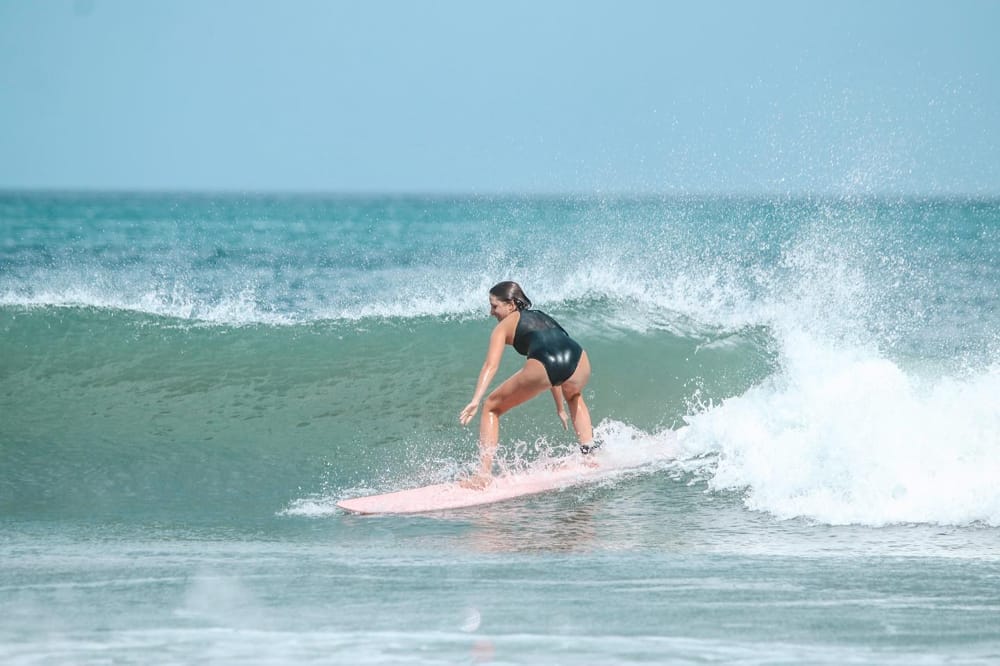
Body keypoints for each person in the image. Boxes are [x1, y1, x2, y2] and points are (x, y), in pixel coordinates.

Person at [458, 281, 595, 489]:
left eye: (495, 306)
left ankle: (483, 476)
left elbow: (490, 365)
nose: (491, 312)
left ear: (511, 304)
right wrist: (560, 407)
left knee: (491, 407)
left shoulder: (502, 328)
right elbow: (555, 353)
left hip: (547, 363)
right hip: (578, 358)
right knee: (574, 396)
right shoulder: (540, 315)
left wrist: (476, 400)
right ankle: (590, 455)